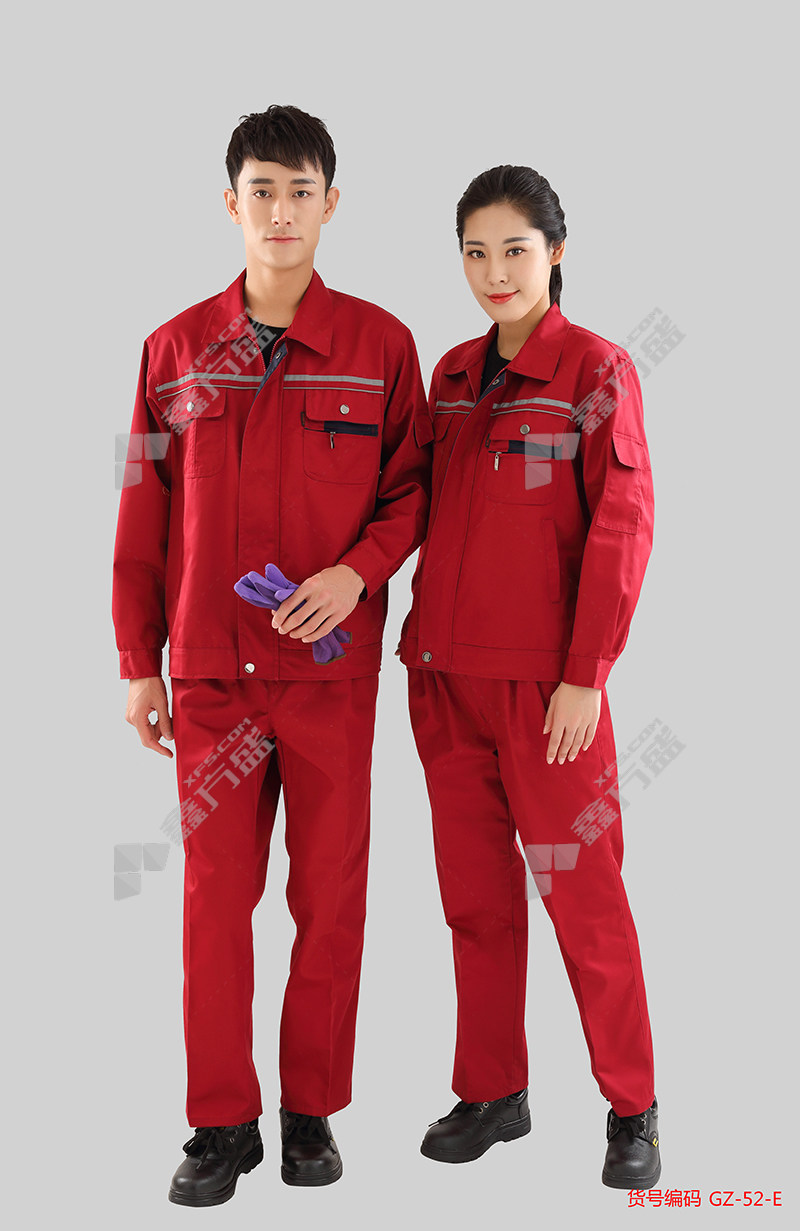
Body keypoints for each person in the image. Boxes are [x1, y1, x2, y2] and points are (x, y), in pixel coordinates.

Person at [112, 104, 433, 1203]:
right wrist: (136, 659)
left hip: (330, 673)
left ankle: (310, 1113)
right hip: (211, 675)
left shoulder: (382, 347)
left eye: (302, 191)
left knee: (329, 900)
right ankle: (220, 1124)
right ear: (230, 202)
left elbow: (411, 490)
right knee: (215, 902)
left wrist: (357, 571)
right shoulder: (171, 350)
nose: (282, 211)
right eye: (263, 190)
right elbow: (142, 508)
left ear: (331, 204)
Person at [396, 164, 661, 1190]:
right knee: (474, 902)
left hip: (548, 696)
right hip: (443, 682)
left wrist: (586, 674)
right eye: (474, 252)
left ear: (555, 251)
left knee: (583, 902)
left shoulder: (595, 369)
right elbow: (410, 506)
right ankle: (492, 1091)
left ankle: (632, 1106)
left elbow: (622, 527)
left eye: (513, 249)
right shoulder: (452, 376)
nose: (493, 271)